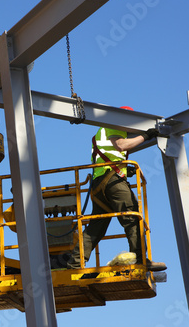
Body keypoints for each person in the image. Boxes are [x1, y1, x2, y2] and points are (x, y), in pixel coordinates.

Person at [64, 106, 167, 272]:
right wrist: (146, 135)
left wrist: (126, 169)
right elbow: (121, 145)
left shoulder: (102, 132)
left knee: (95, 228)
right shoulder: (113, 125)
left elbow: (111, 153)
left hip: (99, 184)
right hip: (111, 181)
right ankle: (140, 260)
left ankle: (74, 265)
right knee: (132, 217)